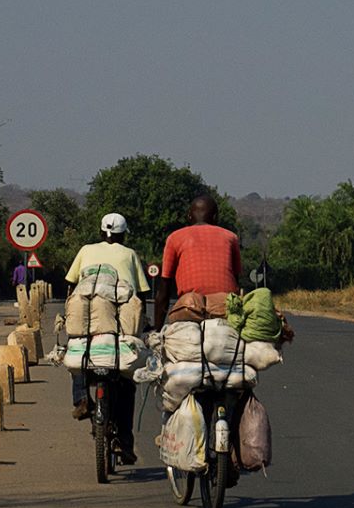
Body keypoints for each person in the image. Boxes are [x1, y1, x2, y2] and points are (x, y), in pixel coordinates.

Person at [64, 212, 150, 464]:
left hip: (87, 313)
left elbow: (70, 283)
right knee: (126, 382)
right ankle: (125, 439)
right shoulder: (130, 254)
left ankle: (81, 398)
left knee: (79, 348)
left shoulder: (85, 250)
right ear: (123, 235)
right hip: (119, 321)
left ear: (102, 232)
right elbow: (141, 295)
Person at [154, 194, 242, 327]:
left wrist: (156, 329)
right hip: (224, 307)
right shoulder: (231, 237)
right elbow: (236, 280)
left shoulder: (175, 238)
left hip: (190, 305)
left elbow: (164, 288)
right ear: (215, 217)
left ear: (189, 216)